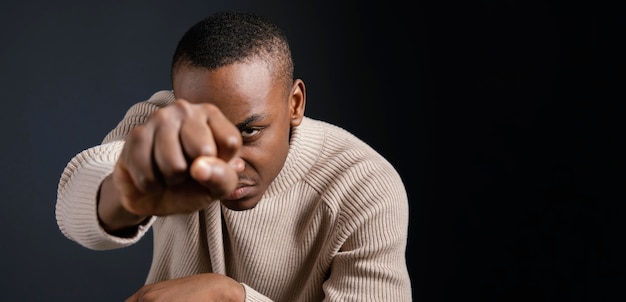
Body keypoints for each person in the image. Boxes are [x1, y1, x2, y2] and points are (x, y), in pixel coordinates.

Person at [56, 10, 411, 301]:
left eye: (250, 131)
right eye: (207, 133)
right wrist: (124, 191)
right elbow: (73, 210)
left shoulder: (364, 186)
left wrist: (230, 297)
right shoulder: (162, 126)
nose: (228, 164)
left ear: (295, 104)